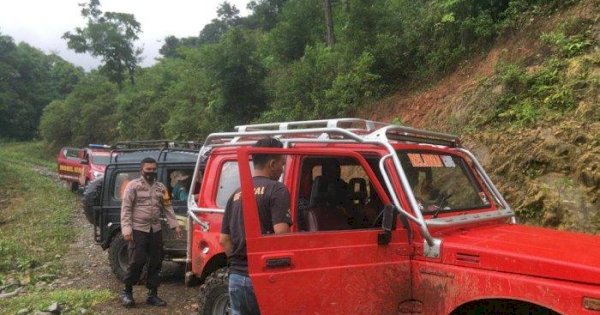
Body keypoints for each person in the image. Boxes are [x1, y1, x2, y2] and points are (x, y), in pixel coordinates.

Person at [219, 138, 292, 315]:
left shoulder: (237, 193)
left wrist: (238, 264)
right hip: (264, 278)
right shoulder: (277, 189)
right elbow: (281, 233)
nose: (282, 169)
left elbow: (224, 239)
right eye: (282, 164)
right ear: (272, 163)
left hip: (236, 277)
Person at [120, 157, 182, 308]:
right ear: (141, 169)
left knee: (156, 262)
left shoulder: (161, 187)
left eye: (153, 169)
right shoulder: (133, 186)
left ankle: (152, 295)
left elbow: (167, 207)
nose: (151, 172)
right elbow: (126, 208)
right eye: (148, 169)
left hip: (155, 230)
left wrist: (175, 225)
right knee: (136, 261)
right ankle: (127, 292)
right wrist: (126, 229)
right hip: (138, 229)